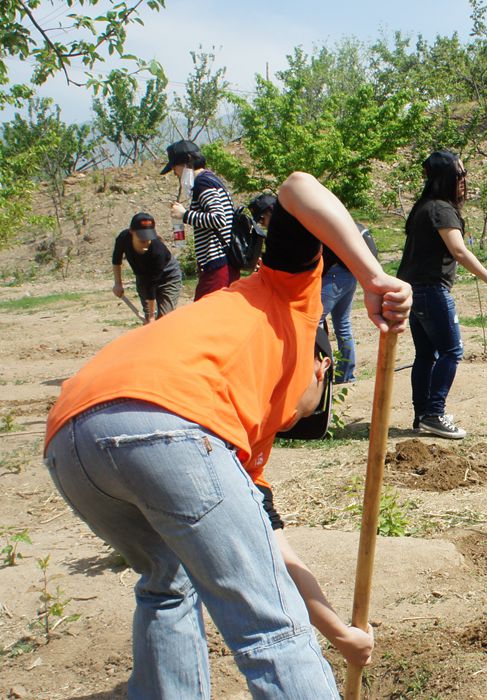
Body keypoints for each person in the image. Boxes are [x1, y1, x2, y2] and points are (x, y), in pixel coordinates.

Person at [44, 171, 411, 698]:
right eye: (313, 410)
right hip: (170, 423)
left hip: (71, 437)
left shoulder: (241, 442)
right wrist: (372, 275)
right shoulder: (292, 295)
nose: (297, 419)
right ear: (321, 368)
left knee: (166, 586)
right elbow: (298, 188)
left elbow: (277, 555)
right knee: (271, 628)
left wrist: (341, 634)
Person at [398, 150, 487, 440]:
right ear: (444, 178)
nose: (463, 180)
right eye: (459, 175)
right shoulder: (441, 210)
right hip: (430, 290)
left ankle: (423, 414)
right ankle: (434, 414)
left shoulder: (425, 207)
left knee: (426, 353)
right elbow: (458, 250)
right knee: (451, 351)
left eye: (464, 174)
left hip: (412, 290)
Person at [162, 140, 237, 300]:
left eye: (174, 168)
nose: (175, 173)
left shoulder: (203, 183)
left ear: (186, 162)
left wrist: (184, 215)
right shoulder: (211, 180)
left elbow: (218, 218)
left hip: (217, 263)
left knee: (206, 319)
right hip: (222, 261)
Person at [320, 221, 379, 384]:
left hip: (333, 276)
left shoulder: (326, 225)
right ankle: (345, 376)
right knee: (343, 326)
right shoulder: (350, 225)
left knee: (314, 322)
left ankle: (320, 373)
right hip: (350, 274)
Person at [112, 212, 182, 323]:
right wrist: (118, 284)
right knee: (149, 319)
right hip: (143, 277)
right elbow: (116, 260)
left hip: (168, 277)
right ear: (131, 232)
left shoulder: (157, 250)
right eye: (142, 239)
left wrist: (151, 316)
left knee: (164, 319)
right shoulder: (123, 238)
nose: (146, 244)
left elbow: (151, 284)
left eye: (148, 238)